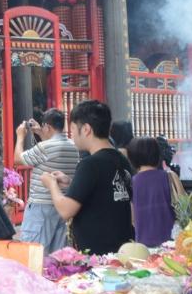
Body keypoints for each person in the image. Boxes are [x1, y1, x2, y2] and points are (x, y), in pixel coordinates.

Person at [42, 100, 134, 255]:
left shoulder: (90, 164)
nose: (71, 135)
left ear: (86, 129)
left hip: (98, 255)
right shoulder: (121, 159)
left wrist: (52, 184)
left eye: (72, 129)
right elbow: (104, 191)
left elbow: (66, 210)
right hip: (122, 249)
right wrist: (71, 183)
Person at [14, 109, 79, 253]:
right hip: (62, 206)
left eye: (44, 127)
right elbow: (50, 151)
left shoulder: (45, 147)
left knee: (33, 253)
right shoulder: (74, 146)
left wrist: (20, 136)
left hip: (41, 207)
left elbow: (17, 159)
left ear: (48, 127)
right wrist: (40, 133)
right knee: (57, 256)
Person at [127, 137, 181, 248]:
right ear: (157, 154)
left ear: (133, 158)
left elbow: (132, 219)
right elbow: (186, 208)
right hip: (171, 244)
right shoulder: (170, 177)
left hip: (144, 246)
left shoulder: (132, 182)